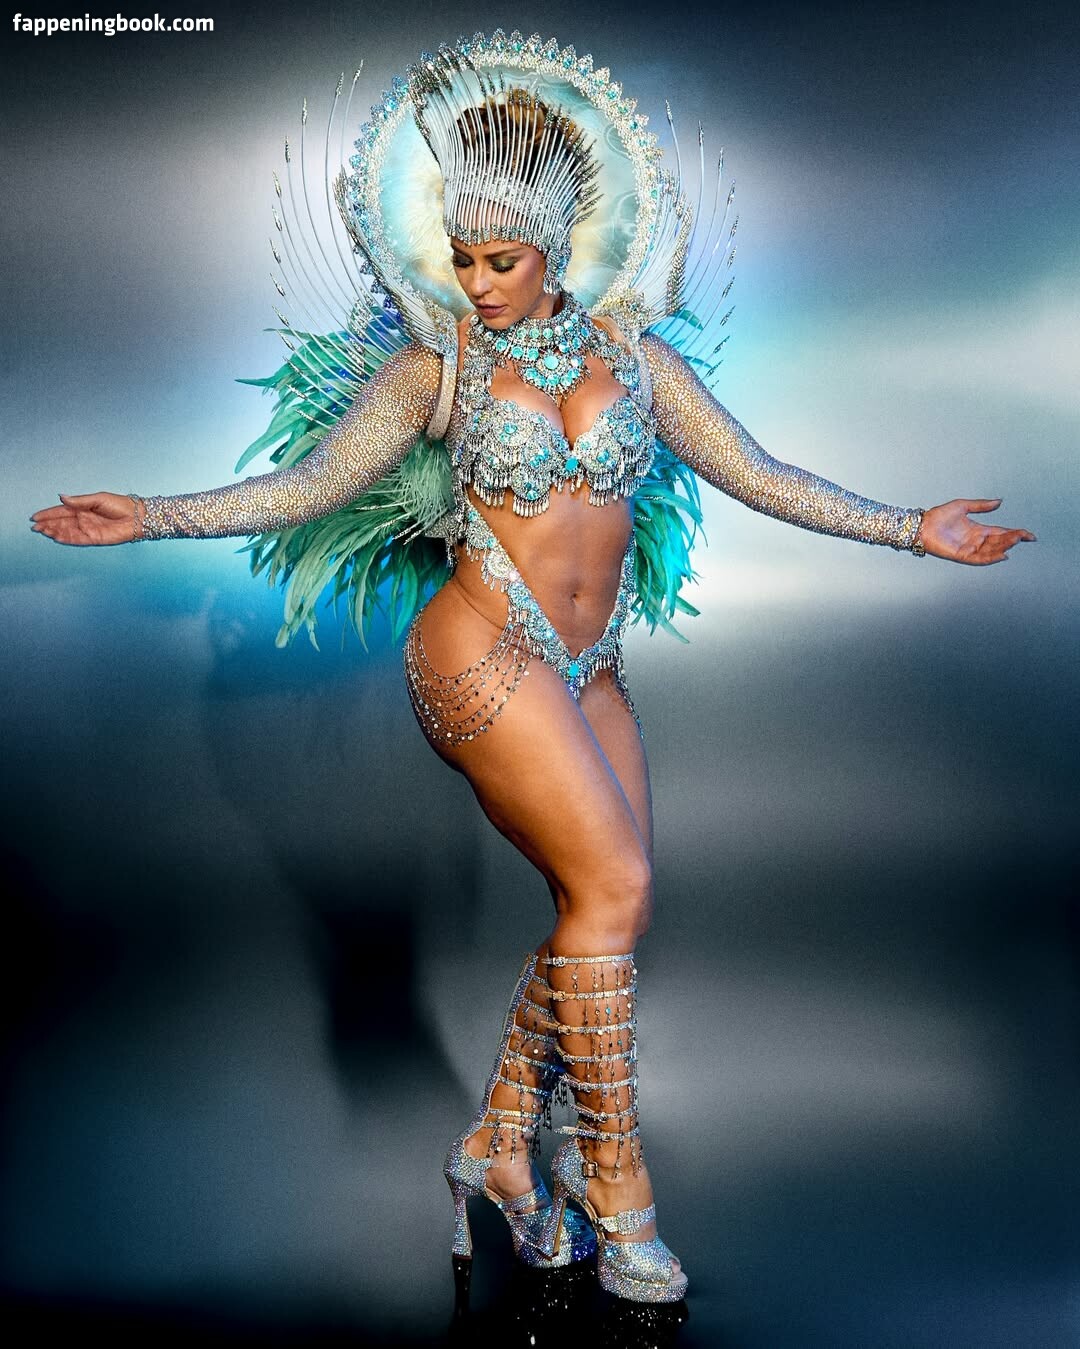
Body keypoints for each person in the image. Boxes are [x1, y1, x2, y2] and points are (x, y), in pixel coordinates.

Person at [29, 31, 1035, 1306]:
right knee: (613, 882)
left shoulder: (638, 361)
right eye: (459, 257)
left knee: (611, 904)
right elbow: (307, 484)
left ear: (553, 250)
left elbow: (762, 474)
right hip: (479, 649)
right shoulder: (436, 367)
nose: (475, 282)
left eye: (498, 260)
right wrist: (153, 514)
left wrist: (911, 528)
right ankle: (613, 1176)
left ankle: (501, 1143)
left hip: (589, 668)